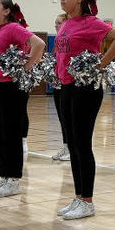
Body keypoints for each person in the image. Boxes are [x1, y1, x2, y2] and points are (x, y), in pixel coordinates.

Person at [54, 0, 115, 220]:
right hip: (66, 86)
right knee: (73, 144)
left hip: (85, 89)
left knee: (82, 144)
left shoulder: (91, 22)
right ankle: (78, 197)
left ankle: (87, 200)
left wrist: (100, 64)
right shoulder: (66, 23)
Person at [0, 0, 46, 198]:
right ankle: (5, 175)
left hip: (11, 87)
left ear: (7, 11)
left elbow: (39, 44)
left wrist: (26, 67)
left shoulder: (13, 28)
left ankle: (13, 179)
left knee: (10, 135)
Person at [50, 13, 71, 162]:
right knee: (62, 117)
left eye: (59, 23)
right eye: (55, 23)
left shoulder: (69, 40)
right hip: (57, 83)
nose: (56, 26)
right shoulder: (57, 42)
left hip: (68, 83)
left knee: (69, 118)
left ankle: (72, 147)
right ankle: (66, 145)